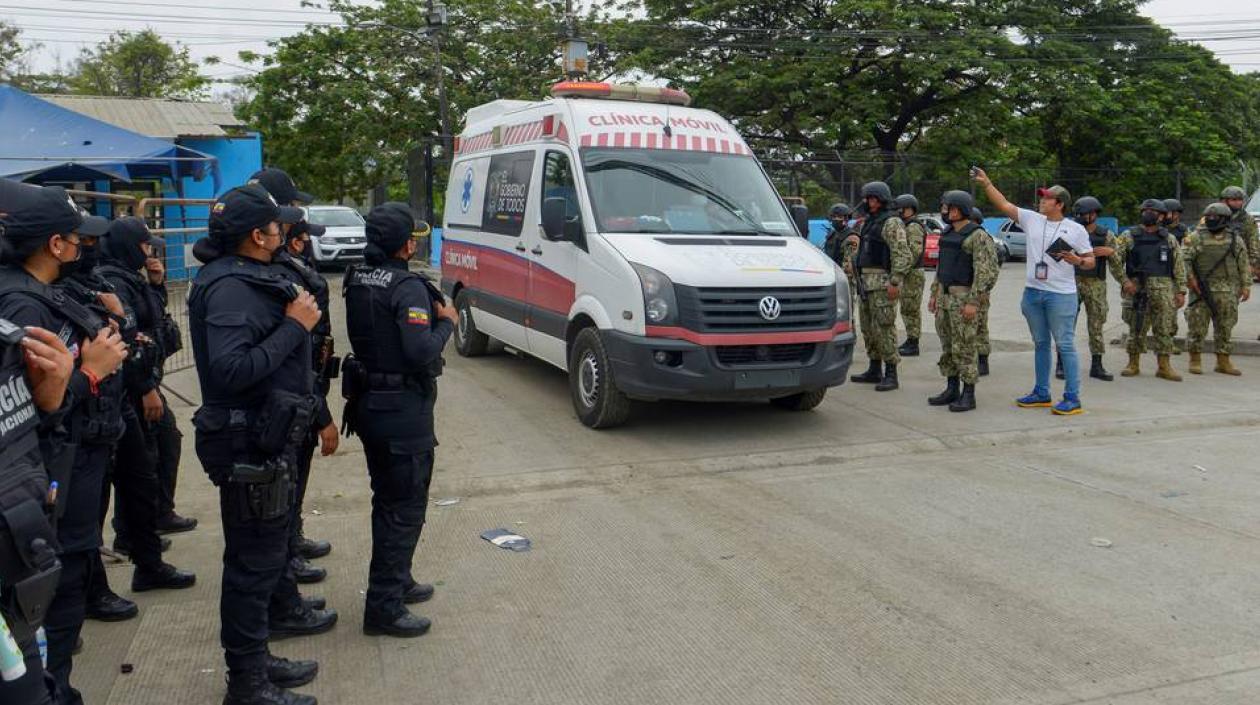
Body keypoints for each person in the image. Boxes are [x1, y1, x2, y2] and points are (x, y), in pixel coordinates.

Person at [188, 184, 334, 705]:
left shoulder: (248, 276)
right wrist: (295, 328)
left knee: (263, 559)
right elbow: (231, 369)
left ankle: (258, 657)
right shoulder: (229, 287)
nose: (284, 233)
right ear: (257, 235)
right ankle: (246, 684)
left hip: (266, 436)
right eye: (277, 227)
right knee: (251, 566)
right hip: (246, 441)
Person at [0, 183, 130, 705]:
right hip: (45, 476)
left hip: (71, 461)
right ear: (55, 244)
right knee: (53, 587)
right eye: (77, 240)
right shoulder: (19, 302)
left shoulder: (43, 291)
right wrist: (90, 376)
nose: (84, 249)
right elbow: (27, 412)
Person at [342, 203, 454, 637]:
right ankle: (384, 607)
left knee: (387, 499)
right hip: (401, 410)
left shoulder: (356, 277)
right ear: (406, 244)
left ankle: (398, 579)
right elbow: (420, 350)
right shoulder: (406, 287)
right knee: (404, 506)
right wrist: (446, 324)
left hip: (369, 403)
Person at [251, 168, 338, 592]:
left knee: (293, 477)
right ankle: (284, 562)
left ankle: (291, 543)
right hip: (285, 392)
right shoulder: (266, 273)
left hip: (302, 384)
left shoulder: (284, 264)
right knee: (280, 482)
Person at [972, 170, 1095, 415]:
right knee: (1040, 343)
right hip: (1033, 293)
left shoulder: (1075, 230)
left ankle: (1072, 397)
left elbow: (1091, 260)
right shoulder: (1031, 219)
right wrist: (987, 184)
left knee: (1065, 345)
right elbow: (1004, 204)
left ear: (1059, 204)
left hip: (1061, 296)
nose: (1042, 201)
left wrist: (1077, 261)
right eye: (1042, 197)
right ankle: (1042, 392)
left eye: (1047, 198)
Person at [927, 191, 998, 412]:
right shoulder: (947, 233)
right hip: (945, 297)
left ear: (960, 209)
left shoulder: (977, 236)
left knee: (965, 347)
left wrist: (973, 302)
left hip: (964, 297)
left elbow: (986, 273)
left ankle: (969, 394)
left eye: (950, 207)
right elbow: (941, 269)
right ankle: (951, 388)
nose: (946, 211)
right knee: (948, 345)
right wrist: (934, 294)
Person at [846, 182, 911, 391]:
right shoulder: (869, 222)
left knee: (884, 328)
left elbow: (902, 254)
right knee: (868, 328)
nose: (869, 201)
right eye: (867, 198)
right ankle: (874, 368)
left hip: (882, 283)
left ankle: (891, 372)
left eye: (873, 198)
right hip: (865, 283)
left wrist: (895, 281)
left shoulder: (891, 222)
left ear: (882, 198)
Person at [1113, 199, 1187, 380]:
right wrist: (1124, 281)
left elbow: (1179, 265)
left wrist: (1180, 290)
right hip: (1137, 289)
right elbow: (1115, 261)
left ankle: (1164, 366)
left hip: (1164, 291)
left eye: (1153, 211)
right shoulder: (1129, 236)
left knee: (1164, 327)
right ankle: (1133, 363)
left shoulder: (1168, 239)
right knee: (1136, 327)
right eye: (1145, 210)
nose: (1148, 213)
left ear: (1162, 216)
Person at [1183, 203, 1250, 375]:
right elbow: (1184, 260)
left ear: (1225, 219)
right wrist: (1190, 279)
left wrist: (1246, 285)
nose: (1212, 220)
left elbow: (1243, 264)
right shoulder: (1196, 237)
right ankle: (1195, 359)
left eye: (1216, 217)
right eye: (1209, 216)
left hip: (1228, 290)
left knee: (1225, 326)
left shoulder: (1235, 238)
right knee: (1197, 326)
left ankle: (1223, 361)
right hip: (1201, 291)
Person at [1064, 197, 1118, 382]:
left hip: (1096, 284)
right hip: (1072, 281)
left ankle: (1097, 365)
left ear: (1094, 214)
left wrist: (1112, 253)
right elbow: (1056, 255)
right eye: (1078, 214)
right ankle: (1061, 364)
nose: (1080, 217)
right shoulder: (1069, 232)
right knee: (1067, 324)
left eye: (1084, 214)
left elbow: (1117, 263)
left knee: (1096, 325)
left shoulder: (1106, 235)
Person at [893, 194, 925, 358]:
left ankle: (914, 342)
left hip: (912, 272)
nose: (899, 212)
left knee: (911, 308)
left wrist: (901, 269)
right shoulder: (905, 225)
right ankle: (911, 339)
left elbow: (914, 251)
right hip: (908, 272)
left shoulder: (913, 227)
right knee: (906, 308)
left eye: (901, 209)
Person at [969, 207, 998, 376]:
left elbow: (992, 268)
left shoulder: (983, 239)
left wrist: (984, 289)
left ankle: (982, 359)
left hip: (980, 291)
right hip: (965, 288)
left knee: (980, 325)